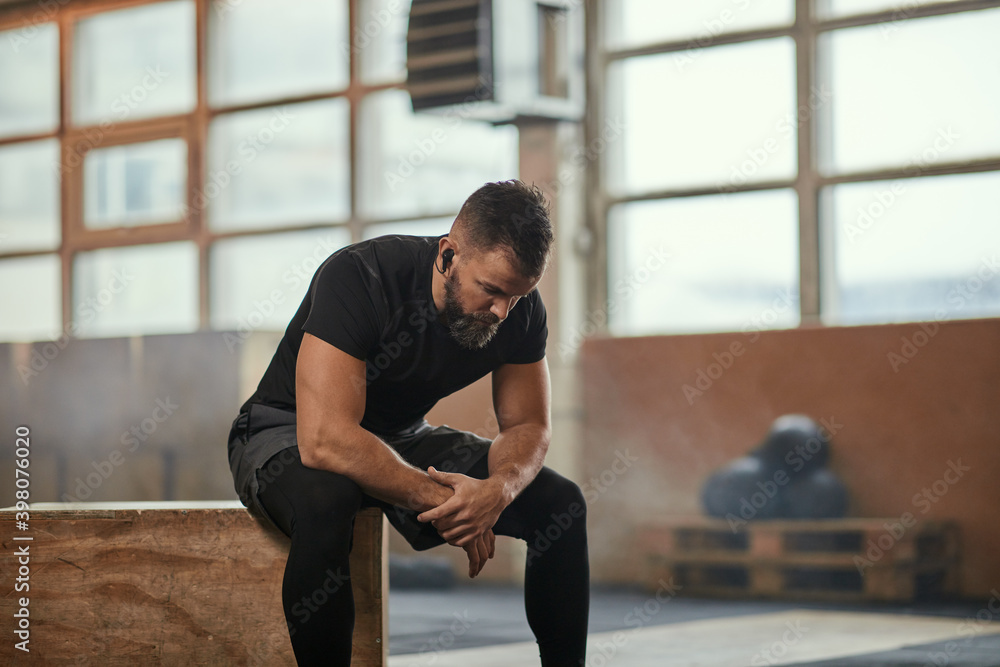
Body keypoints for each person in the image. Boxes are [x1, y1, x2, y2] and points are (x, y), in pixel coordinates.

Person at [226, 180, 589, 666]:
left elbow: (526, 426)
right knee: (326, 495)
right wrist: (445, 499)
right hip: (286, 430)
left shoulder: (519, 311)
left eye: (519, 297)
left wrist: (495, 492)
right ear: (447, 256)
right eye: (492, 291)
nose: (503, 312)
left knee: (560, 503)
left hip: (399, 436)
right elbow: (324, 439)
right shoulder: (360, 276)